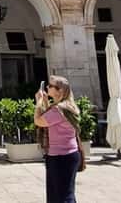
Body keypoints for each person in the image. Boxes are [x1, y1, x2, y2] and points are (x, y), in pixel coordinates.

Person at [34, 75, 83, 203]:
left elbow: (39, 121)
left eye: (51, 86)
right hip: (66, 155)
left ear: (59, 90)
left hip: (61, 156)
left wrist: (38, 103)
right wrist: (45, 102)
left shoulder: (59, 109)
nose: (48, 88)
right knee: (61, 193)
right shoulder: (66, 106)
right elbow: (49, 117)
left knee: (62, 196)